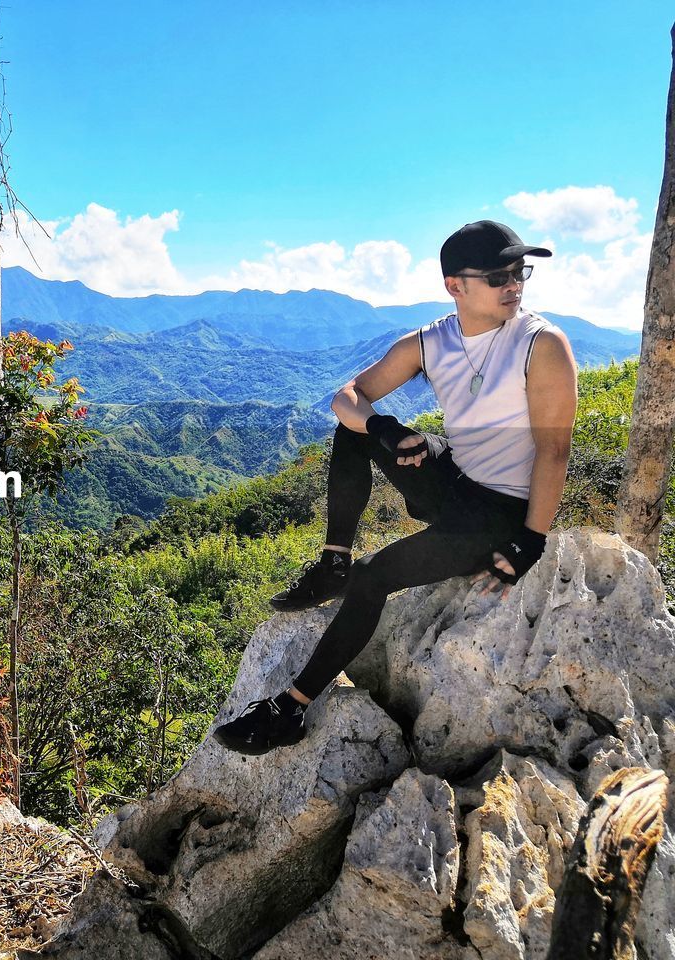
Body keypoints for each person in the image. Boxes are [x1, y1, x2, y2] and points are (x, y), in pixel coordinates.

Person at [214, 220, 578, 756]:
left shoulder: (540, 344)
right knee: (354, 428)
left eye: (519, 272)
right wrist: (384, 426)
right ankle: (332, 561)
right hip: (454, 478)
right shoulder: (432, 341)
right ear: (456, 286)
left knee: (374, 579)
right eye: (499, 274)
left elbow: (554, 451)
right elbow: (348, 396)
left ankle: (288, 708)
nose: (514, 285)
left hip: (497, 513)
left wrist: (532, 540)